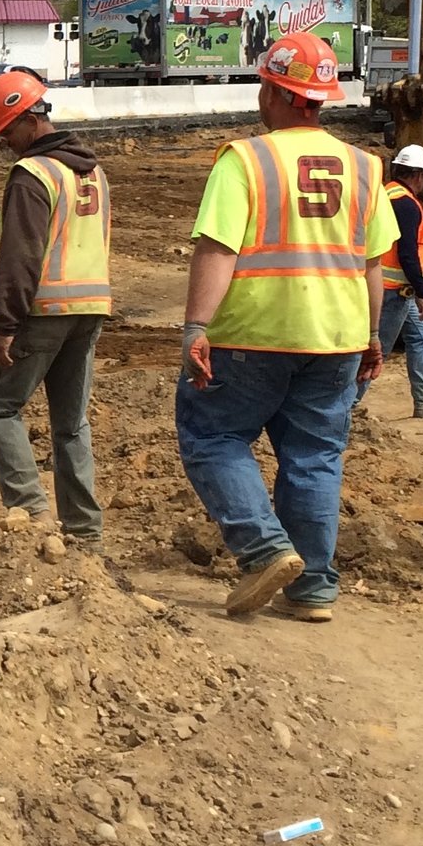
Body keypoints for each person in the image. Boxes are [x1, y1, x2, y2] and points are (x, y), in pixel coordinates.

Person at [176, 32, 392, 624]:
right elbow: (374, 264)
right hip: (337, 337)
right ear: (321, 98)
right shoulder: (366, 167)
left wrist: (196, 326)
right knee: (314, 456)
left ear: (273, 91)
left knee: (213, 436)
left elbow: (218, 248)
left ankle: (265, 549)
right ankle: (314, 588)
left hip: (253, 333)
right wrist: (374, 336)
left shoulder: (245, 159)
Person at [0, 71, 110, 542]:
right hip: (91, 305)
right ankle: (84, 531)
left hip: (45, 308)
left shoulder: (33, 175)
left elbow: (21, 255)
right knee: (71, 424)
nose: (4, 141)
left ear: (31, 119)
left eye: (7, 130)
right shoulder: (91, 170)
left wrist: (5, 325)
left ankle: (31, 514)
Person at [358, 144, 423, 418]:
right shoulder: (406, 204)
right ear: (418, 175)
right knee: (376, 351)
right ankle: (349, 405)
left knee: (420, 338)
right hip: (394, 292)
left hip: (394, 291)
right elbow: (407, 253)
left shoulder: (385, 194)